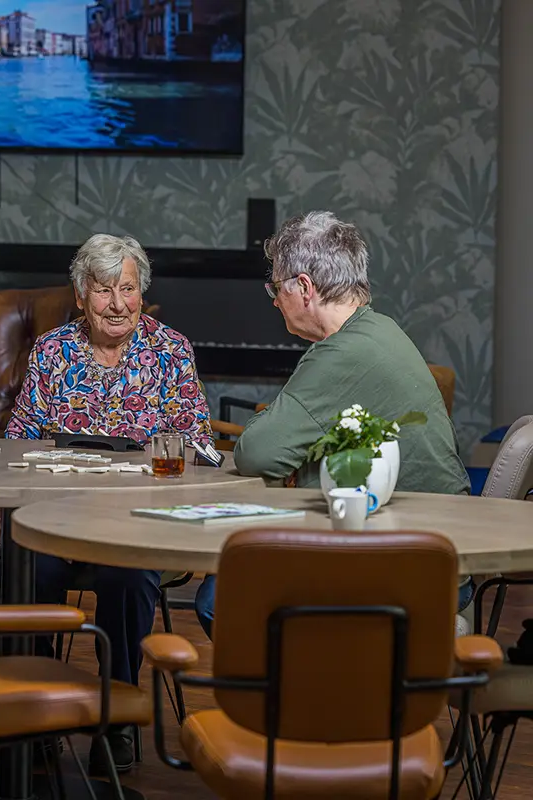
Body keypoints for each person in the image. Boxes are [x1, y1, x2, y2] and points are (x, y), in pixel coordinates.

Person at [194, 211, 471, 638]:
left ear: (303, 288)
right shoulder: (378, 329)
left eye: (276, 289)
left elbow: (256, 454)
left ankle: (310, 704)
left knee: (223, 597)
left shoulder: (345, 352)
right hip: (431, 549)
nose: (273, 300)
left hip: (413, 563)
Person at [5, 233, 214, 774]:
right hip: (58, 516)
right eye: (103, 290)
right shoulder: (52, 350)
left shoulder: (170, 351)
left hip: (138, 525)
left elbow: (200, 443)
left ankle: (116, 716)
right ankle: (30, 713)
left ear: (142, 291)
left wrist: (169, 455)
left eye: (128, 288)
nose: (118, 303)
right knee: (24, 561)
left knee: (128, 576)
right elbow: (18, 440)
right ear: (81, 295)